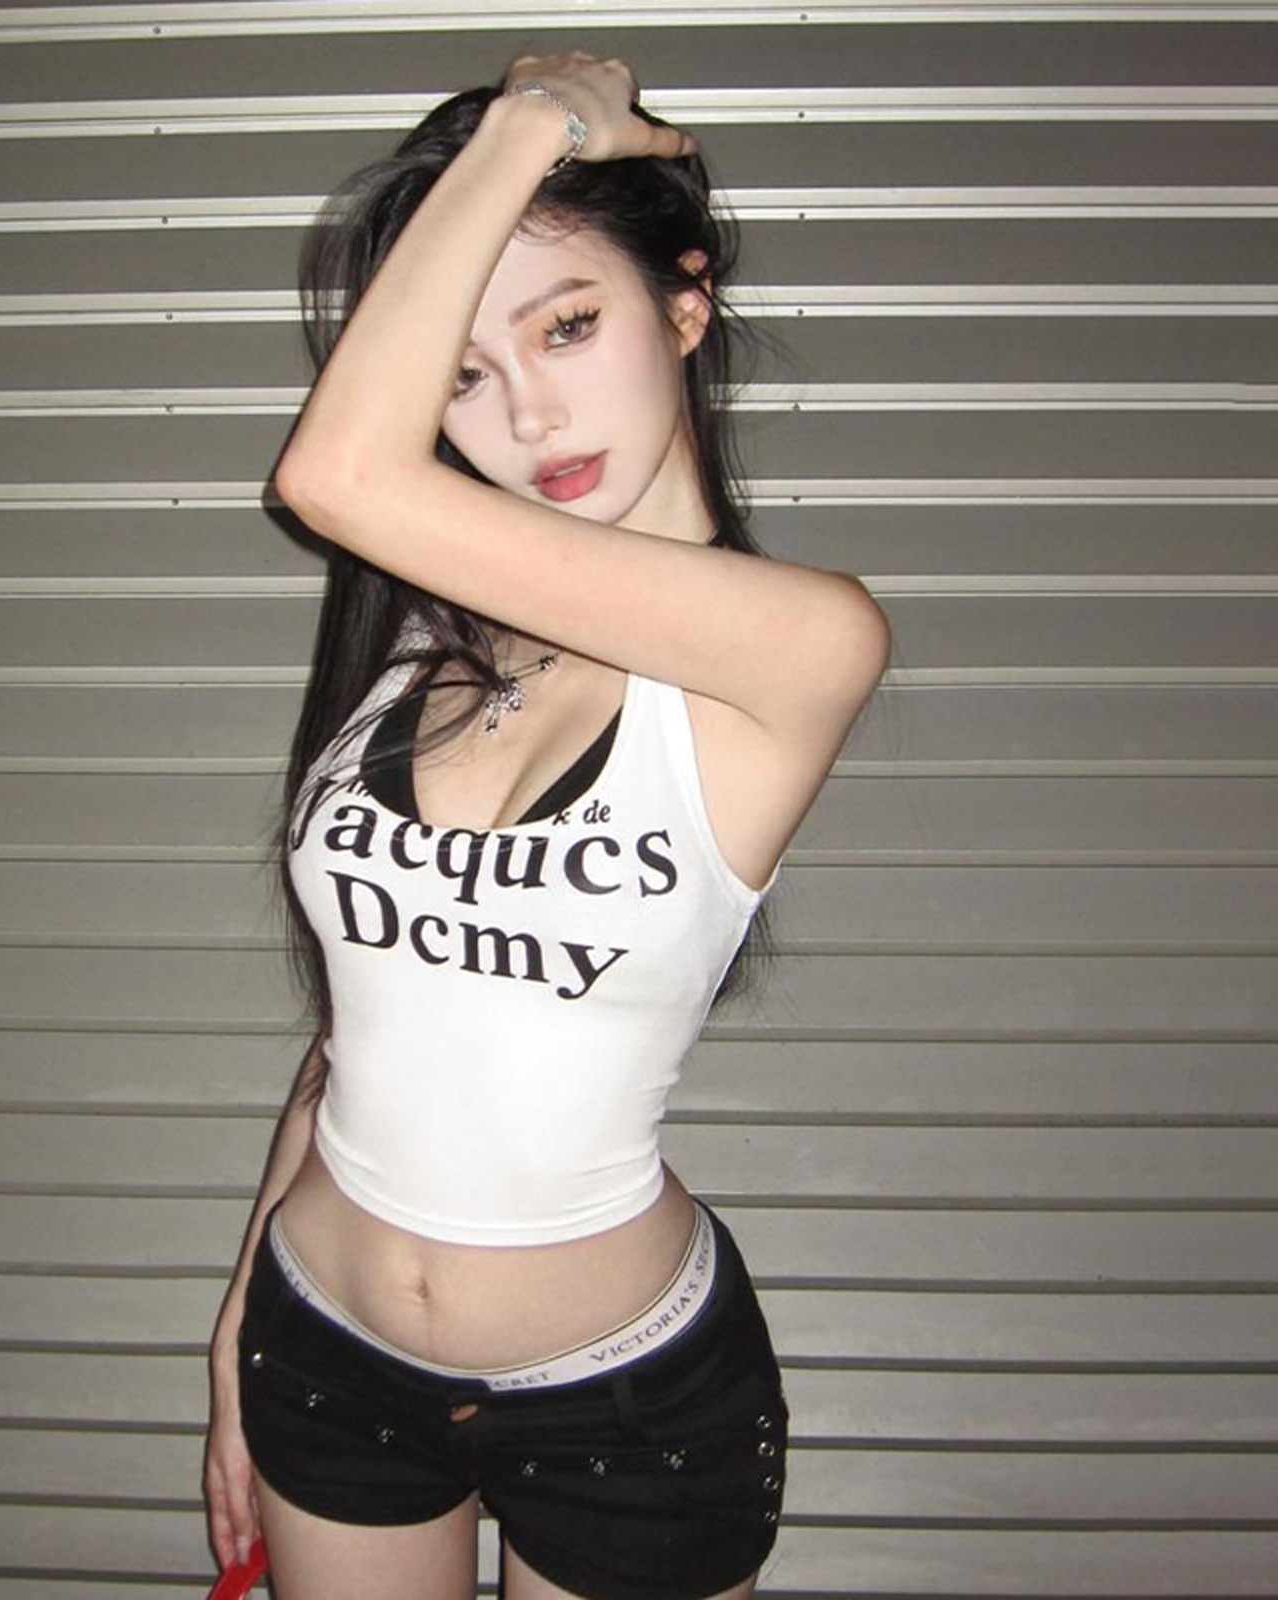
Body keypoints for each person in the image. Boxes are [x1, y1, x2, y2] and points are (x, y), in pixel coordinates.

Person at [203, 49, 890, 1600]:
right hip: (325, 1347)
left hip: (625, 1407)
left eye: (568, 326)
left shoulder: (803, 642)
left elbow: (335, 469)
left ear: (686, 304)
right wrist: (240, 1318)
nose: (526, 412)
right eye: (460, 371)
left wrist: (531, 124)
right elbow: (358, 1034)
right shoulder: (417, 639)